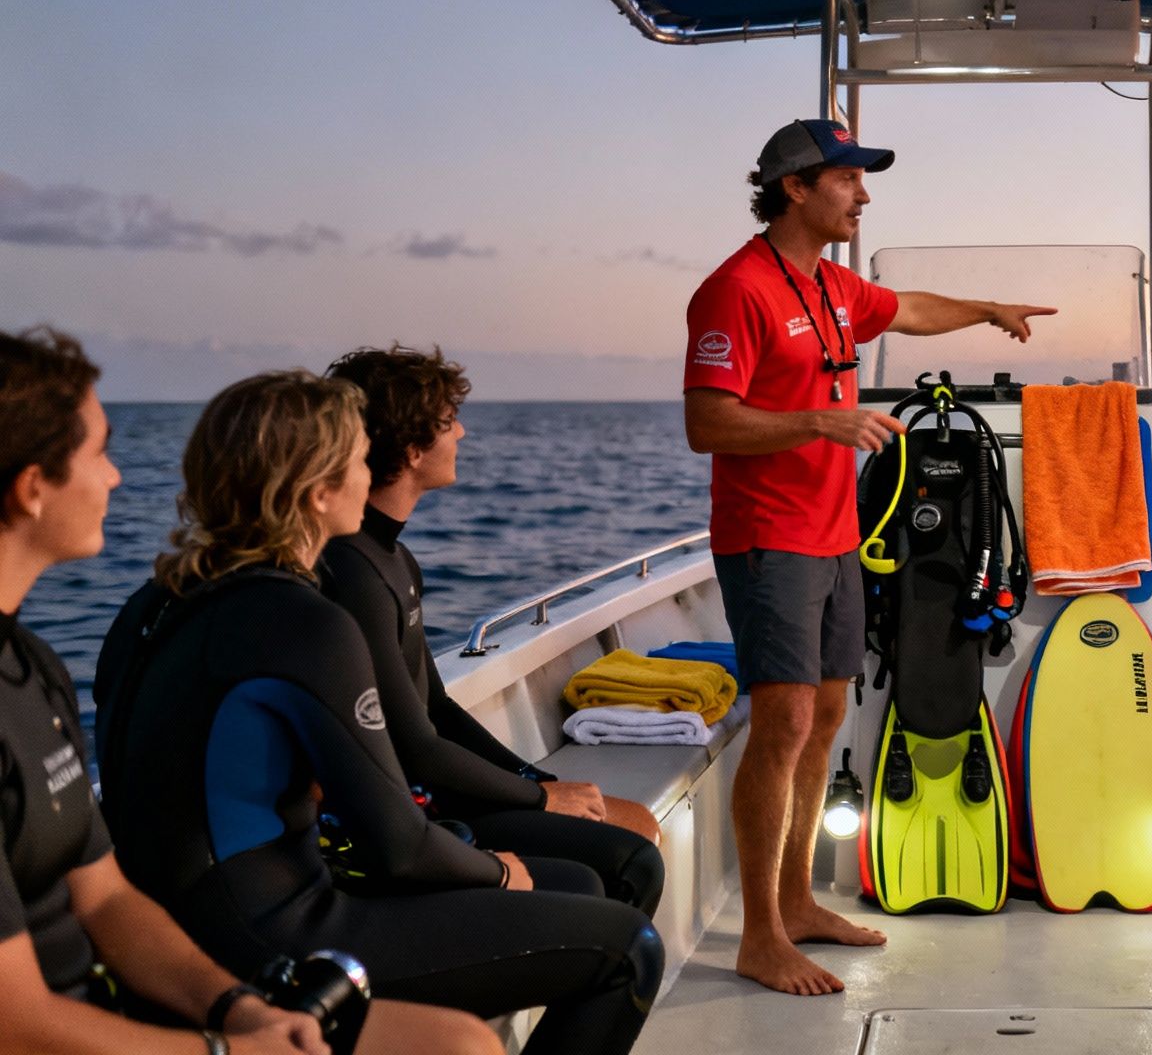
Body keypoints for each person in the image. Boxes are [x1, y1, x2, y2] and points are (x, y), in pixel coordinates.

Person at [93, 371, 661, 1055]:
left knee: (576, 883)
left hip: (167, 932)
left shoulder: (151, 605)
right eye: (361, 460)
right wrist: (497, 870)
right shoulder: (305, 623)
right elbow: (397, 846)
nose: (371, 475)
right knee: (627, 949)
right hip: (273, 939)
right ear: (319, 490)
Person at [0, 328, 499, 1055]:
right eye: (100, 452)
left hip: (136, 997)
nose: (115, 478)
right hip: (72, 1026)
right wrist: (226, 1051)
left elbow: (105, 896)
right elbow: (17, 1026)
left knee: (460, 1046)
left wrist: (236, 1009)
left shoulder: (34, 663)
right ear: (32, 487)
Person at [683, 117, 1057, 996]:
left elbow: (912, 309)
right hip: (769, 536)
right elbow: (706, 422)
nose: (865, 194)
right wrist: (821, 419)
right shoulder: (734, 289)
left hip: (836, 535)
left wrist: (988, 308)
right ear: (796, 189)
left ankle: (800, 902)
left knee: (821, 718)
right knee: (780, 726)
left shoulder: (832, 284)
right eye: (848, 178)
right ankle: (760, 937)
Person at [321, 345, 664, 916]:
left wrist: (539, 779)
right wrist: (538, 797)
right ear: (410, 450)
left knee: (636, 824)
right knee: (632, 861)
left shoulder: (393, 559)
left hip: (432, 791)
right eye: (450, 422)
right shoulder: (353, 572)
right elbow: (415, 746)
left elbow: (438, 707)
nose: (464, 433)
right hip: (410, 814)